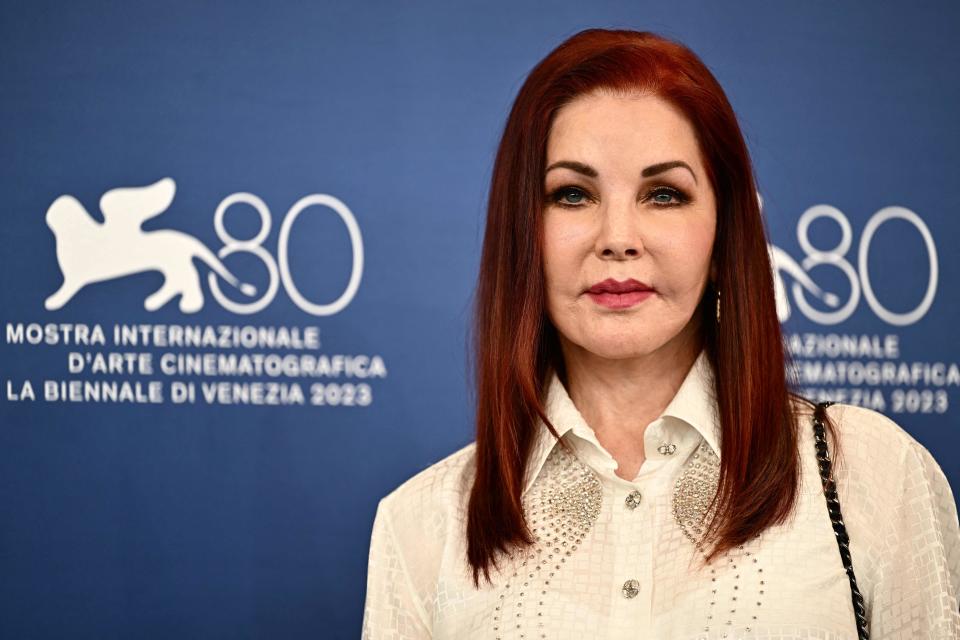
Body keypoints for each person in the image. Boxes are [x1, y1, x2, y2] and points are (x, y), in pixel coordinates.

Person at [361, 28, 960, 639]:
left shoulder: (873, 476)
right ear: (523, 234)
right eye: (572, 194)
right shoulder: (422, 524)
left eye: (664, 194)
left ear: (724, 234)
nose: (618, 237)